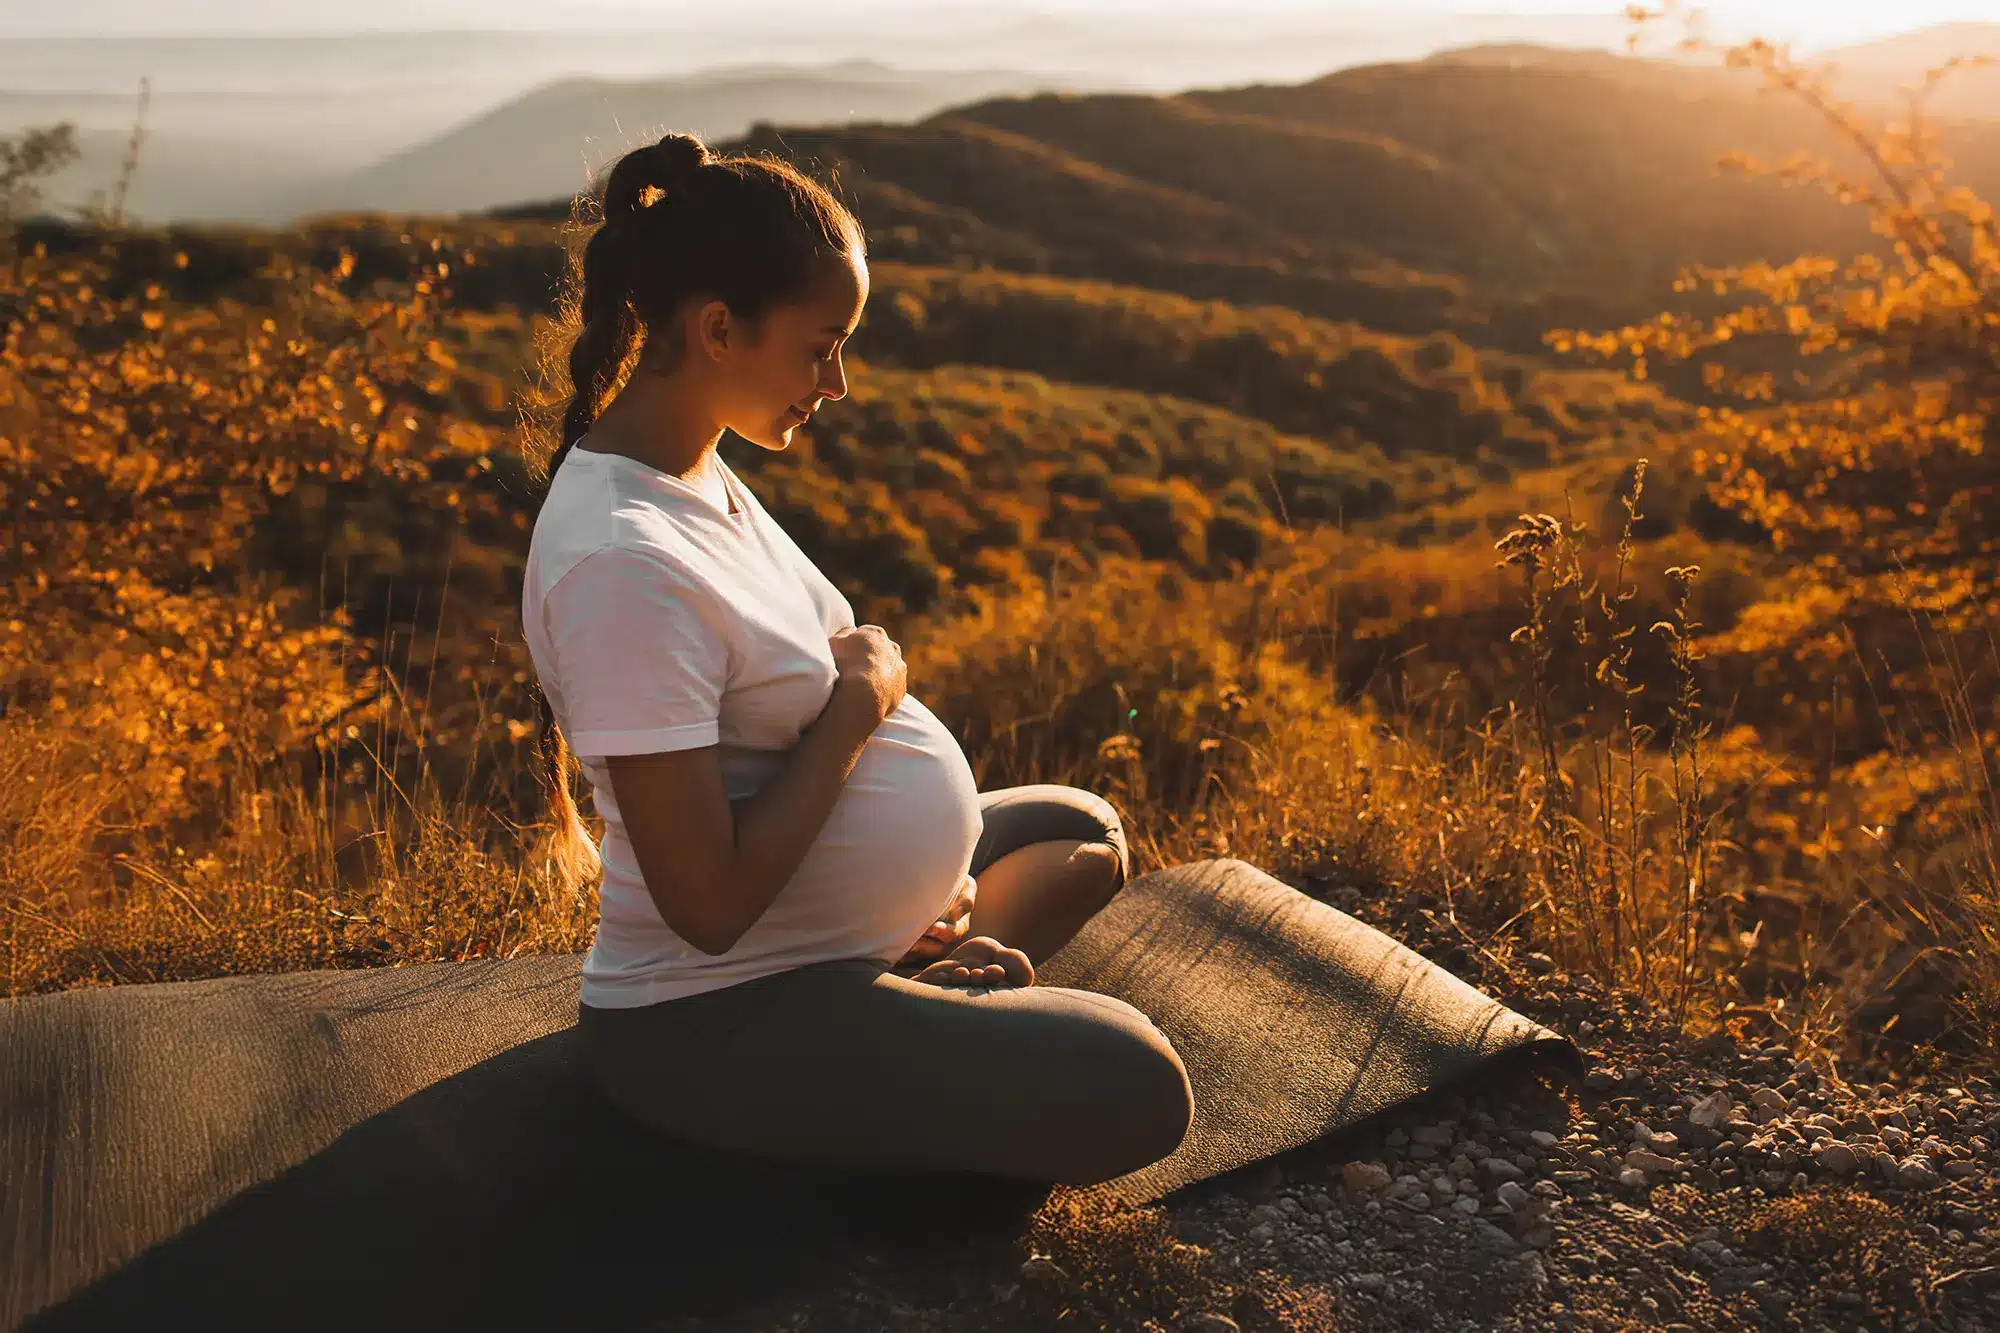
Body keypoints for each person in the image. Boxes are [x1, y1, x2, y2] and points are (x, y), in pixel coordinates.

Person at [519, 130, 1193, 1186]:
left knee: (1082, 829)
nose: (837, 383)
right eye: (822, 345)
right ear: (716, 329)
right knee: (1138, 1081)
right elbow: (705, 907)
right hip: (715, 1020)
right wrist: (860, 703)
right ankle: (900, 1009)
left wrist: (887, 880)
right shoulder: (621, 562)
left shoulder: (696, 468)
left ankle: (910, 973)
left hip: (813, 936)